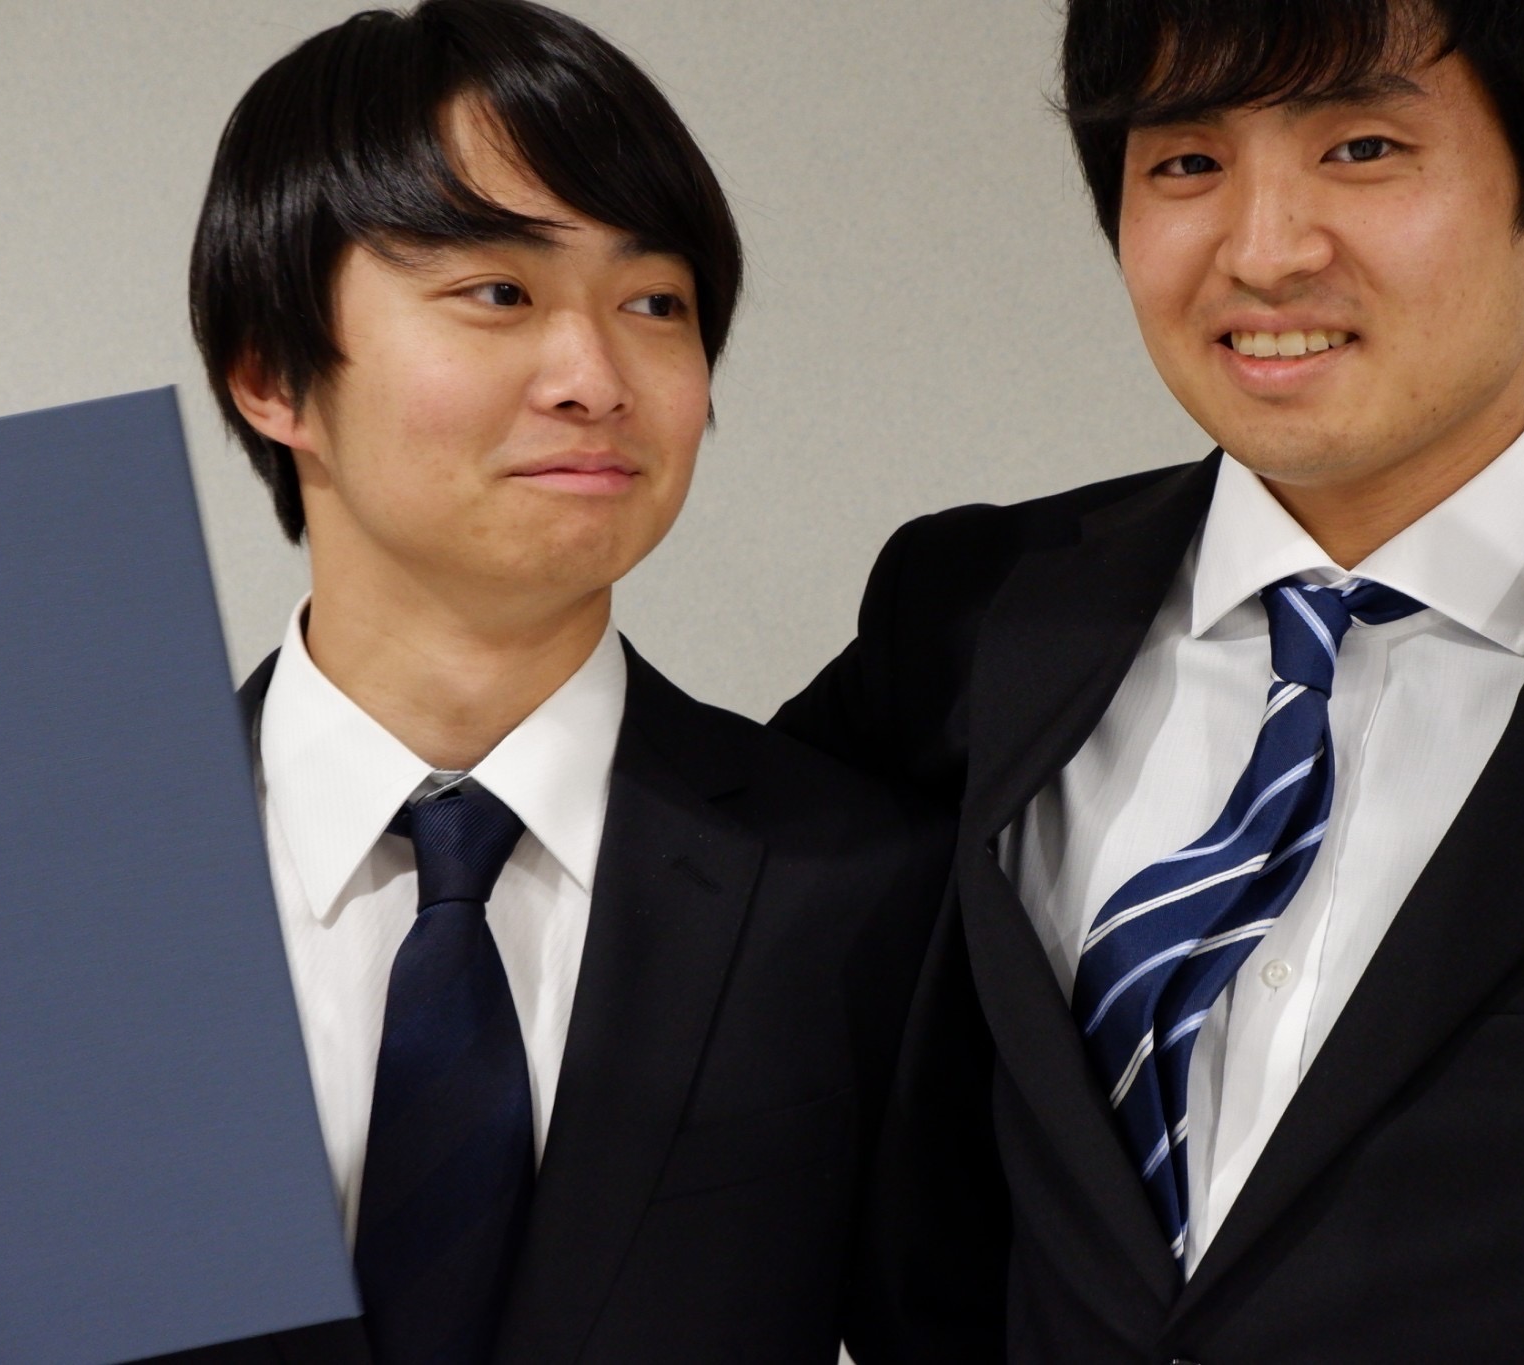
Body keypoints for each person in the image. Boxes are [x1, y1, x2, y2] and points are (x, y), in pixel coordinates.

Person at [775, 1, 1524, 1360]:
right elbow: (686, 946)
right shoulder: (977, 612)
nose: (1263, 250)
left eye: (1363, 148)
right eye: (1188, 162)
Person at [154, 3, 947, 1362]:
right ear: (272, 374)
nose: (595, 377)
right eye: (499, 294)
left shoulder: (862, 886)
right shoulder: (45, 889)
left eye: (654, 304)